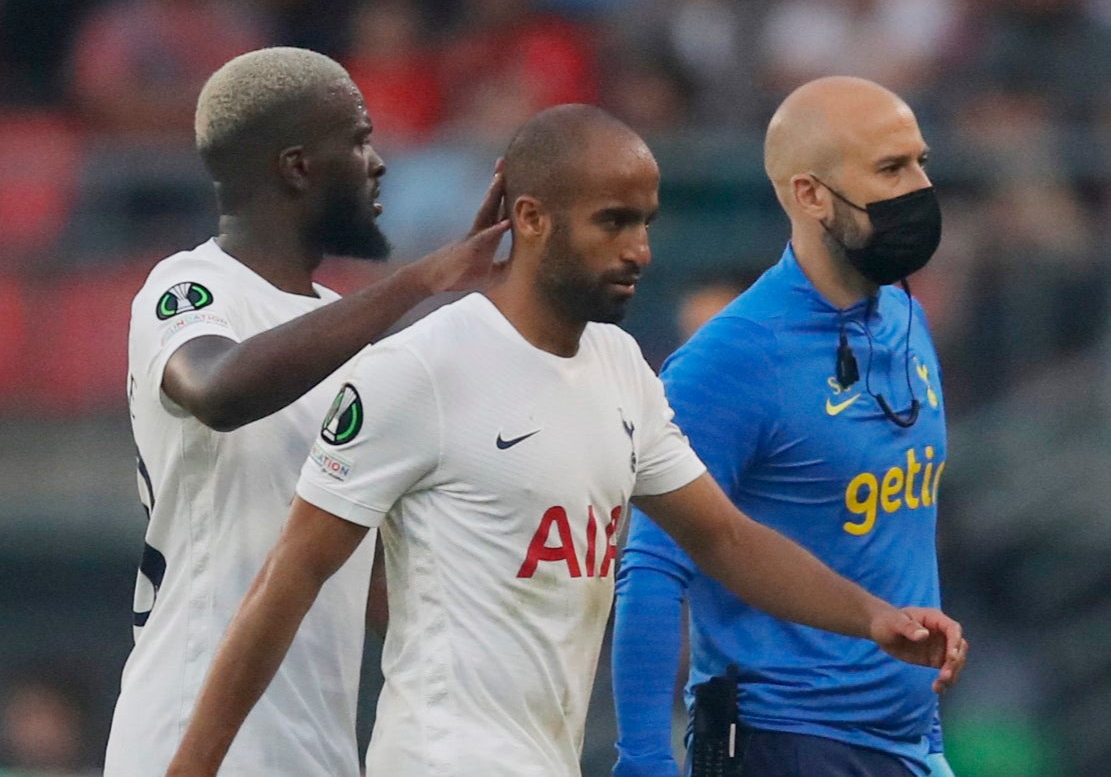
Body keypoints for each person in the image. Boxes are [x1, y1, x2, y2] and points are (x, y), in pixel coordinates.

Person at [164, 103, 966, 777]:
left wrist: (872, 618)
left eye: (645, 222)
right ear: (531, 219)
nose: (639, 250)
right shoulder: (422, 370)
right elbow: (290, 577)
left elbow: (722, 535)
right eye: (612, 222)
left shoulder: (619, 368)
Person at [103, 46, 510, 777]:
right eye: (357, 140)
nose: (378, 161)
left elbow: (366, 569)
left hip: (318, 744)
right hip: (188, 729)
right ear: (297, 167)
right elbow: (220, 391)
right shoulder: (190, 287)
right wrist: (420, 280)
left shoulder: (339, 330)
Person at [611, 76, 958, 777]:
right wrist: (642, 758)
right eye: (890, 169)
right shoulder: (731, 358)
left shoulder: (905, 319)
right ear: (808, 195)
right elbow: (650, 568)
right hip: (782, 739)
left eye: (919, 162)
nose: (919, 187)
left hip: (910, 742)